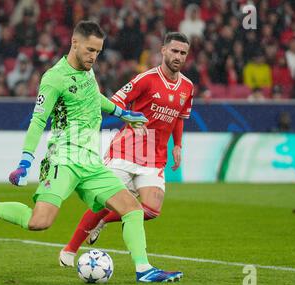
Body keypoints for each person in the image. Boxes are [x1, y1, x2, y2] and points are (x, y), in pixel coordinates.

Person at [0, 21, 183, 283]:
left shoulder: (88, 72)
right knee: (39, 222)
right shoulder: (54, 78)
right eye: (90, 50)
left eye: (98, 51)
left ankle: (144, 269)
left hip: (90, 162)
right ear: (74, 43)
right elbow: (38, 120)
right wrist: (25, 160)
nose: (94, 57)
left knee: (132, 208)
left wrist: (123, 113)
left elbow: (95, 98)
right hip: (63, 159)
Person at [59, 32, 194, 269]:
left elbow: (180, 117)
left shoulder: (188, 87)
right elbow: (117, 100)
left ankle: (103, 223)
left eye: (183, 53)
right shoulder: (145, 79)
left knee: (152, 209)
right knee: (103, 202)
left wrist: (178, 146)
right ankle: (70, 249)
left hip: (155, 155)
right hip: (127, 148)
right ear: (163, 51)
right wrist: (129, 118)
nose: (178, 56)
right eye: (174, 51)